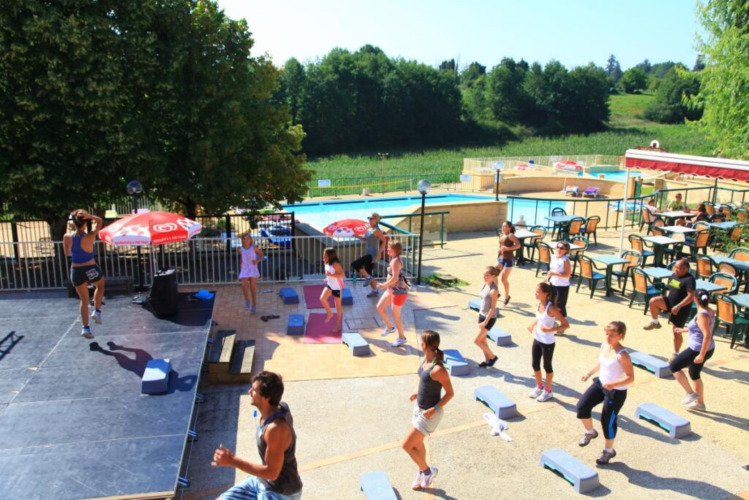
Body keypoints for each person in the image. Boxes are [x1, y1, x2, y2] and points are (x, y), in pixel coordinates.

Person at [212, 371, 303, 500]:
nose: (249, 392)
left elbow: (272, 473)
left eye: (254, 390)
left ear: (266, 398)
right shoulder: (279, 407)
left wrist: (232, 461)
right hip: (262, 482)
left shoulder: (276, 429)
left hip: (280, 493)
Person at [576, 321, 634, 465]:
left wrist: (613, 384)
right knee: (582, 407)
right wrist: (589, 373)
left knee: (607, 421)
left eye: (612, 335)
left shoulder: (622, 355)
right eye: (607, 334)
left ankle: (608, 451)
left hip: (615, 392)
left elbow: (630, 378)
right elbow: (601, 363)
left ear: (620, 336)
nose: (608, 337)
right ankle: (590, 432)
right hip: (601, 384)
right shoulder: (604, 346)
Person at [402, 330, 454, 491]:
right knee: (417, 444)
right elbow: (425, 382)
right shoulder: (426, 360)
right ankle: (421, 472)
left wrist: (434, 409)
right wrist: (418, 393)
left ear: (426, 345)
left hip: (430, 414)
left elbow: (450, 393)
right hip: (419, 408)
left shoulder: (438, 369)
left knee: (406, 445)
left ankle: (428, 471)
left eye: (421, 342)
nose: (420, 343)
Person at [669, 289, 715, 411]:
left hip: (697, 350)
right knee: (694, 375)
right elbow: (699, 327)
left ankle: (690, 393)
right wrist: (683, 330)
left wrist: (701, 355)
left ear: (695, 299)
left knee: (674, 366)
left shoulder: (701, 315)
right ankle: (700, 404)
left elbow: (707, 335)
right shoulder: (709, 311)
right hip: (707, 348)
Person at [63, 209, 105, 339]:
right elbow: (100, 221)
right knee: (100, 285)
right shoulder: (89, 236)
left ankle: (85, 328)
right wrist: (90, 216)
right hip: (90, 268)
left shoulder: (67, 237)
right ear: (85, 223)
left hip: (76, 270)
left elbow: (67, 253)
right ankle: (97, 311)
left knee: (84, 300)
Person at [644, 258, 696, 362]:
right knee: (653, 301)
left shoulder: (690, 280)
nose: (676, 269)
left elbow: (691, 296)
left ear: (686, 269)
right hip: (670, 302)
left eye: (679, 268)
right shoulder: (673, 275)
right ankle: (655, 322)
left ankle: (676, 354)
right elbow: (671, 289)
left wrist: (679, 306)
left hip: (681, 309)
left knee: (676, 332)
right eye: (675, 267)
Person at [527, 282, 569, 402]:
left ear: (545, 294)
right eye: (536, 291)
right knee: (535, 364)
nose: (535, 293)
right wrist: (532, 324)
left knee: (547, 366)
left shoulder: (551, 309)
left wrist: (550, 330)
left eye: (538, 292)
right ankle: (539, 387)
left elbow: (566, 325)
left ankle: (548, 391)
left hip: (548, 342)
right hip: (537, 338)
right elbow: (539, 318)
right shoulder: (539, 304)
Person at [375, 240, 410, 347]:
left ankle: (402, 338)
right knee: (380, 307)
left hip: (398, 292)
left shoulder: (395, 261)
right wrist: (387, 286)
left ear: (394, 250)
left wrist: (383, 285)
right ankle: (390, 328)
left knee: (396, 315)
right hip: (391, 290)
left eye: (389, 247)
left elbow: (395, 278)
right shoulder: (394, 259)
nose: (387, 249)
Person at [351, 212, 387, 298]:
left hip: (373, 255)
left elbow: (384, 241)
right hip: (369, 253)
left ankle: (368, 278)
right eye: (369, 218)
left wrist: (379, 252)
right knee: (368, 272)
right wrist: (356, 236)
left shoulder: (377, 230)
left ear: (376, 220)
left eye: (371, 218)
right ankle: (375, 290)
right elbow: (365, 239)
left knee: (355, 264)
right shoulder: (369, 229)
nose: (369, 220)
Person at [475, 266, 500, 367]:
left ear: (493, 276)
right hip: (482, 314)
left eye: (487, 275)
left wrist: (485, 322)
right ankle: (487, 360)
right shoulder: (485, 284)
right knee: (483, 340)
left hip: (489, 318)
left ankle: (492, 357)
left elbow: (492, 308)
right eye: (484, 275)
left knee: (476, 341)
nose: (485, 277)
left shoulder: (494, 290)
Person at [238, 233, 264, 314]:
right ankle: (247, 300)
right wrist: (241, 266)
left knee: (252, 287)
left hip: (252, 268)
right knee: (244, 285)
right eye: (244, 239)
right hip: (245, 268)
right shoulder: (240, 249)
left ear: (250, 240)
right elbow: (242, 258)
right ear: (242, 240)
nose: (246, 240)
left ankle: (254, 305)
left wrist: (257, 261)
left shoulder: (254, 248)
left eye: (248, 238)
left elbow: (262, 255)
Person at [321, 247, 344, 332]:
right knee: (322, 299)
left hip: (337, 288)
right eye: (323, 255)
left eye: (326, 255)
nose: (324, 257)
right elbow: (329, 273)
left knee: (338, 307)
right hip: (330, 285)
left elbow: (342, 275)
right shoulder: (326, 263)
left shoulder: (335, 264)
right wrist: (327, 278)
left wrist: (330, 275)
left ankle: (338, 325)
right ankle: (330, 313)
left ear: (331, 256)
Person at [497, 221, 521, 306]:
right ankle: (497, 293)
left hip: (508, 259)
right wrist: (499, 249)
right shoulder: (502, 235)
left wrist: (507, 248)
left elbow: (518, 245)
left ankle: (507, 296)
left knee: (503, 279)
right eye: (503, 226)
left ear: (510, 228)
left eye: (505, 226)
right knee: (494, 275)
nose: (503, 228)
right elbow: (501, 245)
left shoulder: (511, 235)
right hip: (500, 258)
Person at [546, 242, 571, 318]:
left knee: (560, 305)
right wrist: (546, 278)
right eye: (558, 247)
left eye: (562, 248)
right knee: (551, 302)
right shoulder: (553, 257)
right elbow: (551, 270)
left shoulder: (565, 260)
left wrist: (554, 274)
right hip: (553, 283)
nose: (559, 249)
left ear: (566, 250)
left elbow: (568, 275)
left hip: (562, 286)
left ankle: (563, 319)